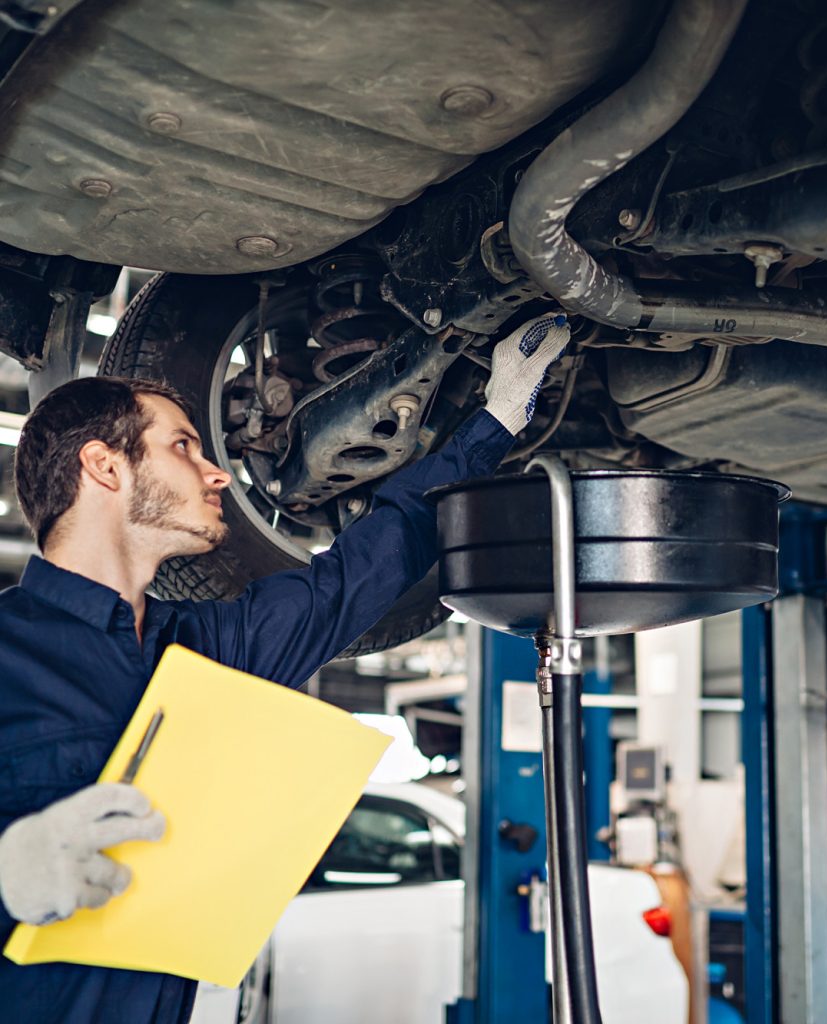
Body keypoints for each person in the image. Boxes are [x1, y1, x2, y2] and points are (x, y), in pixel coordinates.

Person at [0, 312, 570, 1023]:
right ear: (104, 465)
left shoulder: (206, 652)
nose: (216, 473)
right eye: (183, 446)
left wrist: (498, 417)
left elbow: (363, 570)